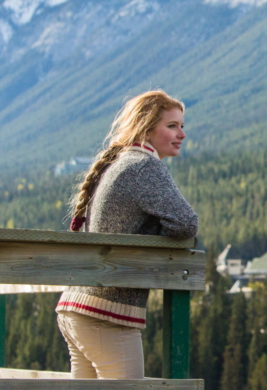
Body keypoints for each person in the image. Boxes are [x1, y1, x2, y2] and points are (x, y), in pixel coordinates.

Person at [55, 90, 198, 379]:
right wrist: (159, 235)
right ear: (146, 128)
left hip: (78, 307)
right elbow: (186, 224)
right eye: (172, 126)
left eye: (182, 125)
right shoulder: (144, 166)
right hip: (107, 314)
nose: (182, 134)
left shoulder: (120, 163)